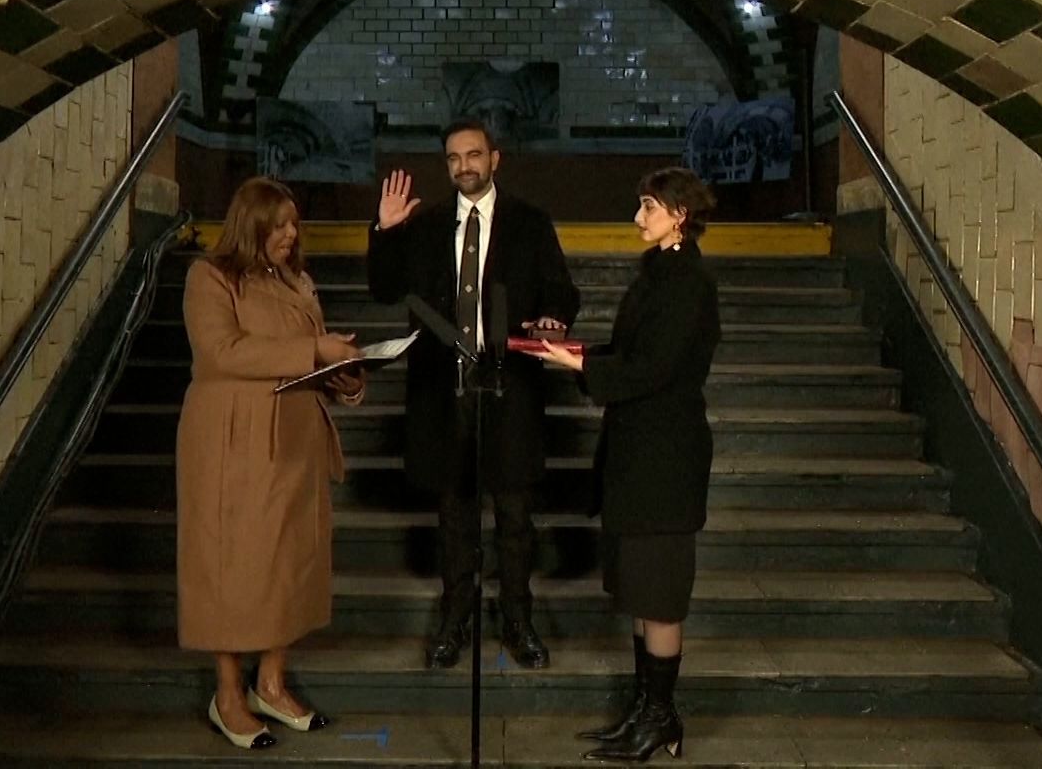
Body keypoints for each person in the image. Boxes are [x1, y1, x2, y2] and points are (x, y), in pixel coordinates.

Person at [367, 119, 580, 670]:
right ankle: (454, 620)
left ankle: (518, 621)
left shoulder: (530, 222)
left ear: (495, 159)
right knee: (455, 518)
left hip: (510, 389)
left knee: (514, 518)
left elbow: (561, 289)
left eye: (474, 154)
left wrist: (553, 316)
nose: (464, 165)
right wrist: (386, 230)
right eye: (454, 158)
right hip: (443, 394)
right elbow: (384, 289)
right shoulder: (425, 225)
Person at [526, 167, 721, 763]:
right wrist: (574, 353)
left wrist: (583, 367)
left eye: (648, 206)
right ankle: (648, 711)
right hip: (640, 456)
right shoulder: (660, 274)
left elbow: (654, 368)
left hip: (665, 460)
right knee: (641, 590)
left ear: (679, 215)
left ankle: (659, 717)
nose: (638, 217)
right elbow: (633, 353)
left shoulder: (686, 282)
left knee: (658, 595)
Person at [177, 177, 366, 750]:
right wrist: (315, 350)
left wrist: (345, 376)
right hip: (233, 442)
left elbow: (312, 360)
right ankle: (227, 694)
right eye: (278, 224)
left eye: (294, 223)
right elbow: (223, 352)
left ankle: (272, 683)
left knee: (289, 562)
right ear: (251, 224)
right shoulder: (210, 277)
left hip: (295, 442)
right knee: (232, 564)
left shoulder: (297, 281)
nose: (290, 234)